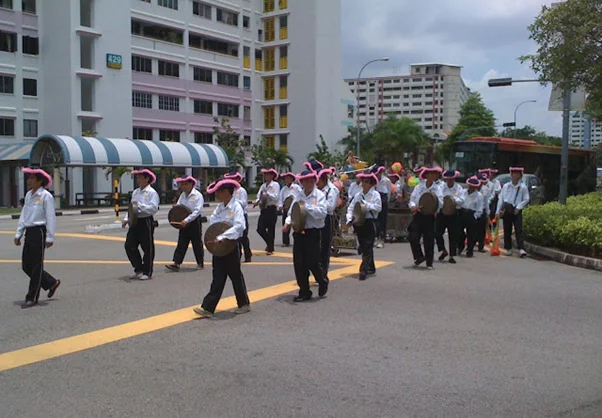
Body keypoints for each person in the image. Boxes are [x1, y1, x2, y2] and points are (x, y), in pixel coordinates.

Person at [193, 178, 250, 318]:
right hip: (218, 248)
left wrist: (224, 235)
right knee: (217, 276)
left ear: (226, 192)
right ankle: (208, 307)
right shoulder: (220, 207)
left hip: (231, 246)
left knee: (235, 275)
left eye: (219, 192)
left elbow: (239, 226)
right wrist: (219, 232)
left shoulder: (236, 207)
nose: (217, 194)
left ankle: (244, 304)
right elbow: (214, 222)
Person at [14, 167, 61, 309]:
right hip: (29, 232)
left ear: (40, 181)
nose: (29, 180)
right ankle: (50, 282)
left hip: (39, 232)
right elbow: (24, 215)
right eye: (28, 178)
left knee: (35, 266)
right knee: (26, 266)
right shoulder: (29, 195)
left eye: (32, 178)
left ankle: (32, 297)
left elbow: (50, 217)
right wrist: (18, 233)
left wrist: (50, 237)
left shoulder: (46, 196)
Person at [282, 170, 328, 301]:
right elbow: (292, 213)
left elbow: (322, 213)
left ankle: (322, 279)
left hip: (313, 232)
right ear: (301, 182)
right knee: (299, 263)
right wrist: (287, 223)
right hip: (299, 232)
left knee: (313, 262)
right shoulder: (299, 195)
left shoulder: (319, 195)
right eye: (306, 180)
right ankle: (304, 291)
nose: (309, 183)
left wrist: (306, 208)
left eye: (312, 180)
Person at [122, 169, 160, 280]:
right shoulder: (136, 192)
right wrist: (126, 219)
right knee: (129, 245)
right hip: (134, 221)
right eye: (137, 178)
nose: (138, 180)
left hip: (146, 221)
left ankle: (147, 271)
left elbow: (153, 208)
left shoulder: (152, 193)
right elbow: (131, 208)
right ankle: (138, 268)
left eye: (140, 178)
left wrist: (140, 206)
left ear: (147, 179)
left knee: (147, 247)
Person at [346, 171, 382, 280]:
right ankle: (371, 266)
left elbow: (378, 208)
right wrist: (349, 218)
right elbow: (351, 208)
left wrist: (366, 205)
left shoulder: (375, 194)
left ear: (371, 184)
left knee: (367, 246)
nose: (363, 184)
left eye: (366, 182)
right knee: (364, 246)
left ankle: (363, 270)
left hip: (370, 222)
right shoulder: (358, 195)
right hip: (359, 223)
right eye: (363, 181)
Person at [165, 176, 205, 272]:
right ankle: (176, 263)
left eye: (185, 184)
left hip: (194, 221)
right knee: (182, 242)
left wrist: (187, 220)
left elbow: (197, 211)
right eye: (182, 184)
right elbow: (180, 206)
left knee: (196, 243)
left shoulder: (197, 195)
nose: (183, 186)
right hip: (183, 221)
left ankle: (200, 262)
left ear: (191, 184)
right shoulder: (183, 195)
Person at [408, 167, 442, 270]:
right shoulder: (419, 187)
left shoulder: (438, 189)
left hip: (430, 216)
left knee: (429, 240)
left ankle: (429, 262)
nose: (433, 176)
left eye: (435, 174)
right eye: (431, 174)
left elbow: (440, 203)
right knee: (412, 237)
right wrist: (413, 206)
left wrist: (432, 206)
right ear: (426, 175)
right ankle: (419, 256)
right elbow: (412, 199)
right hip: (419, 214)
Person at [496, 167, 530, 258]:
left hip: (516, 210)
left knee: (518, 229)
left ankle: (521, 249)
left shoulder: (523, 187)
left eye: (517, 174)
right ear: (511, 175)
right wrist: (498, 211)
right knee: (507, 229)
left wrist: (519, 207)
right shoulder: (506, 186)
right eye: (514, 173)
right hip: (507, 209)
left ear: (520, 176)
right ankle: (508, 248)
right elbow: (501, 199)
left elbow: (526, 199)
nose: (515, 175)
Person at [435, 170, 464, 264]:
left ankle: (452, 255)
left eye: (451, 179)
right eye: (448, 179)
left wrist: (452, 200)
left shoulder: (459, 188)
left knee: (453, 234)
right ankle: (443, 250)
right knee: (437, 232)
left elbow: (462, 201)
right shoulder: (441, 187)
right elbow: (438, 197)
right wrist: (444, 203)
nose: (449, 181)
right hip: (442, 212)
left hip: (453, 213)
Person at [317, 167, 339, 281]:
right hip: (316, 218)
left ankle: (323, 273)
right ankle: (318, 271)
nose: (316, 184)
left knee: (325, 247)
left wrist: (318, 205)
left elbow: (330, 207)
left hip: (326, 218)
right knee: (316, 247)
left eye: (318, 181)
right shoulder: (317, 190)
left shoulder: (332, 190)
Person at [225, 172, 253, 262]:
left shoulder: (241, 190)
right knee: (235, 236)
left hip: (241, 215)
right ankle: (238, 255)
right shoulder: (229, 191)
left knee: (243, 237)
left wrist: (234, 202)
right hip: (232, 216)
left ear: (238, 179)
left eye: (234, 179)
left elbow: (243, 203)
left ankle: (248, 254)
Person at [254, 168, 280, 255]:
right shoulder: (263, 186)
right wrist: (256, 201)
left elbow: (276, 197)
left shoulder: (275, 185)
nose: (266, 176)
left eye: (268, 174)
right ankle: (269, 244)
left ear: (272, 176)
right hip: (264, 209)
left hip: (271, 208)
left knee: (270, 229)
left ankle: (270, 248)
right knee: (260, 229)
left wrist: (267, 194)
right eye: (265, 175)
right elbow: (259, 196)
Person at [457, 176, 484, 258]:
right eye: (470, 186)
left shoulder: (479, 195)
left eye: (473, 186)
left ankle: (470, 250)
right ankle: (460, 246)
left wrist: (475, 216)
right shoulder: (463, 192)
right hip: (462, 212)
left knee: (471, 234)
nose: (471, 188)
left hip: (471, 214)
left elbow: (480, 208)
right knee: (459, 232)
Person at [277, 172, 301, 247]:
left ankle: (298, 240)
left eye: (288, 178)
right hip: (286, 208)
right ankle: (285, 241)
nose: (287, 180)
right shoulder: (284, 189)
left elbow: (300, 196)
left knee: (296, 225)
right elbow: (280, 198)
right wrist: (280, 205)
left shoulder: (296, 187)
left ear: (292, 179)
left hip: (295, 208)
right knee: (285, 224)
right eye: (285, 178)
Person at [374, 166, 392, 248]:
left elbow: (389, 192)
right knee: (375, 219)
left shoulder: (387, 180)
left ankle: (382, 238)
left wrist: (386, 201)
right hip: (375, 198)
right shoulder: (374, 180)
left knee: (382, 220)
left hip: (383, 198)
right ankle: (376, 237)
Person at [475, 172, 492, 253]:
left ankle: (481, 246)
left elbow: (486, 202)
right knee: (473, 229)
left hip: (483, 211)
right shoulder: (472, 188)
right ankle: (471, 244)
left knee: (482, 230)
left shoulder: (485, 190)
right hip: (474, 211)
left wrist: (488, 213)